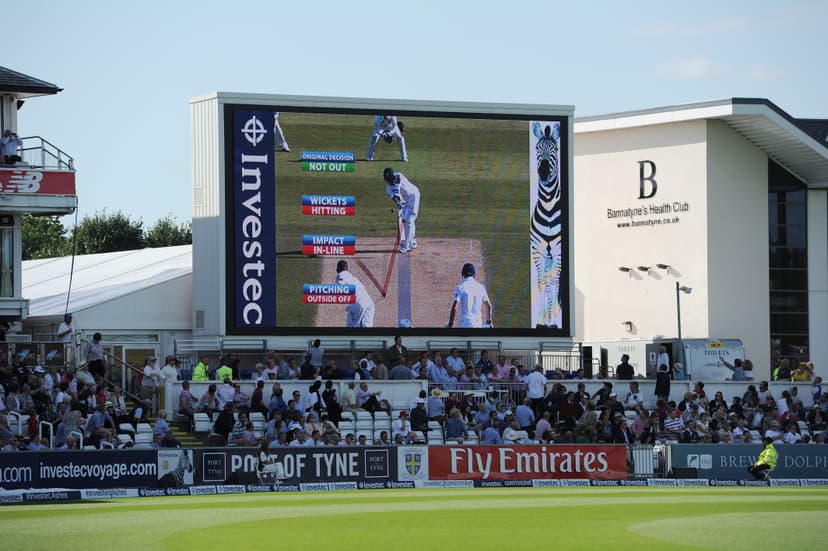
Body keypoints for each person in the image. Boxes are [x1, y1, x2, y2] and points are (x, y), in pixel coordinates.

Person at [383, 167, 420, 254]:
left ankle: (406, 246)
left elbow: (398, 182)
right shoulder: (388, 188)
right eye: (388, 180)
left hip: (413, 196)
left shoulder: (398, 175)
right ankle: (413, 241)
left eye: (390, 179)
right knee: (408, 221)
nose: (390, 182)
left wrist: (396, 191)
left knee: (410, 220)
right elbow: (395, 199)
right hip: (405, 201)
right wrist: (399, 203)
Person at [447, 263, 493, 328]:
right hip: (477, 324)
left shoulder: (460, 287)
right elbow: (488, 306)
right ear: (474, 275)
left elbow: (455, 307)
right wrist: (488, 323)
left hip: (464, 324)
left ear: (462, 275)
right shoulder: (481, 287)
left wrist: (450, 324)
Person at [333, 260, 375, 327]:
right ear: (347, 269)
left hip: (359, 305)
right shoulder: (352, 277)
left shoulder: (341, 275)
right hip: (369, 303)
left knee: (353, 329)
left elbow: (340, 286)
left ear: (337, 269)